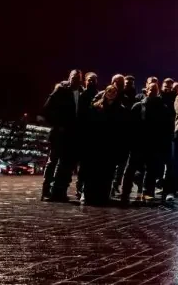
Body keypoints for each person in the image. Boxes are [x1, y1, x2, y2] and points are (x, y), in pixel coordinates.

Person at [122, 78, 170, 204]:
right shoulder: (138, 106)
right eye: (150, 90)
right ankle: (126, 192)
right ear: (146, 91)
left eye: (155, 90)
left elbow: (165, 128)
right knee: (131, 169)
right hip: (138, 143)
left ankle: (147, 193)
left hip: (153, 144)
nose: (152, 92)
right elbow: (130, 126)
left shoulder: (163, 108)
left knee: (151, 171)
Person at [41, 70, 85, 202]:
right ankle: (46, 190)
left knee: (66, 164)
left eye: (77, 78)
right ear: (69, 78)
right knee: (53, 161)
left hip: (73, 135)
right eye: (73, 77)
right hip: (60, 134)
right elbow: (47, 109)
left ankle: (60, 191)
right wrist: (58, 125)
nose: (75, 80)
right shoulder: (61, 90)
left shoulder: (82, 93)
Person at [86, 84, 128, 206]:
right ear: (105, 92)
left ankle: (104, 196)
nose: (111, 94)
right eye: (109, 91)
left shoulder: (120, 109)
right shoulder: (96, 107)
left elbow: (122, 129)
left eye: (114, 92)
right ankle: (90, 196)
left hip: (111, 146)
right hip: (97, 144)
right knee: (94, 171)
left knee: (108, 173)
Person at [74, 72, 101, 200]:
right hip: (83, 134)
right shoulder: (81, 95)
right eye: (89, 80)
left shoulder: (99, 95)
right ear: (85, 81)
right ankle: (80, 188)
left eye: (93, 80)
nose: (91, 82)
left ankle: (87, 188)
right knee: (83, 164)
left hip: (94, 134)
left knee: (92, 164)